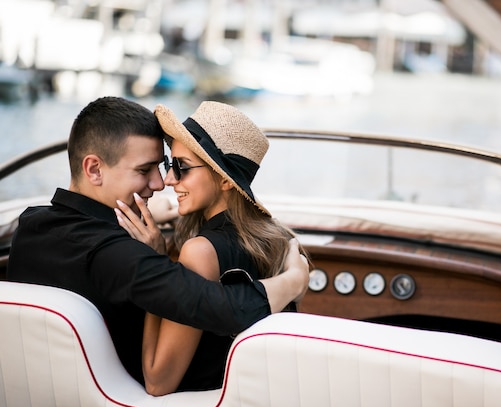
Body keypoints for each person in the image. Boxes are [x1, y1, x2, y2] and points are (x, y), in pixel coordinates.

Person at [4, 96, 309, 386]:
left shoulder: (28, 226)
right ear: (94, 169)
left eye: (167, 166)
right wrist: (294, 280)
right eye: (144, 170)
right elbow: (225, 308)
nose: (162, 182)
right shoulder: (121, 255)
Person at [116, 101, 306, 395]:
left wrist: (155, 265)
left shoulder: (200, 252)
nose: (168, 179)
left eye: (181, 168)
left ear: (225, 180)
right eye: (170, 165)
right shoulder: (277, 240)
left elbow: (158, 380)